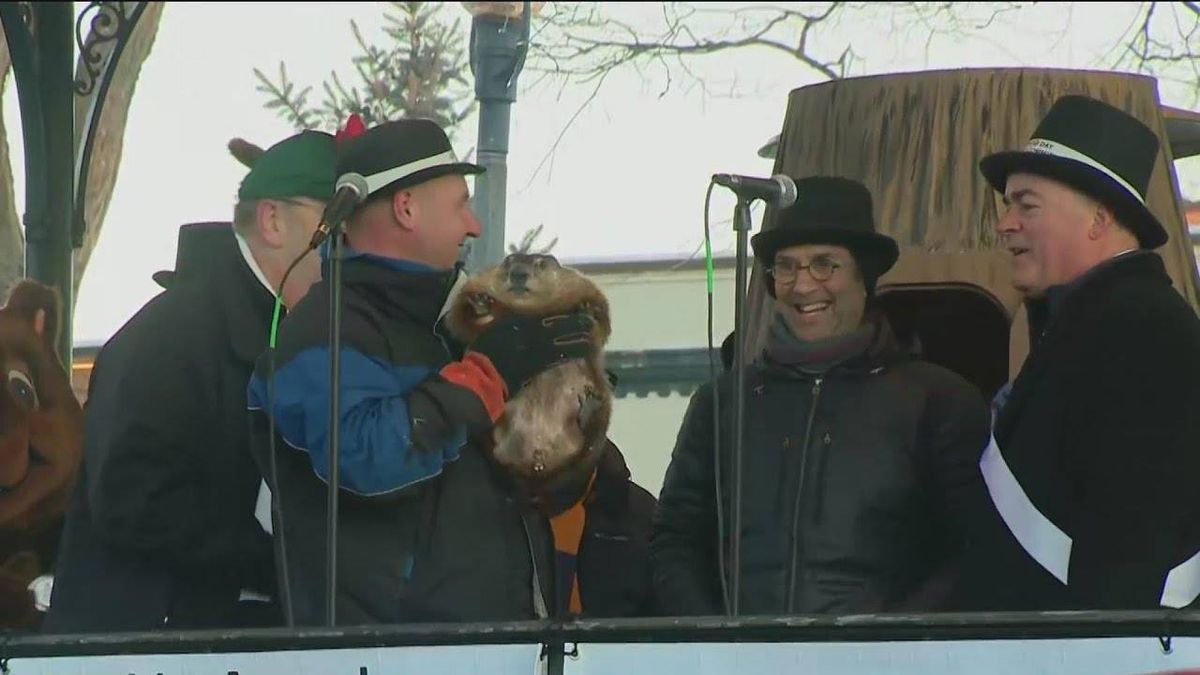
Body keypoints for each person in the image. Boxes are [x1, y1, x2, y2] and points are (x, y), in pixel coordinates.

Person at [246, 117, 655, 626]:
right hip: (384, 650)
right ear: (407, 207)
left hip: (491, 639)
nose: (474, 225)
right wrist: (486, 374)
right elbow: (359, 455)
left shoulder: (447, 323)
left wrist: (570, 421)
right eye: (460, 203)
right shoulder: (329, 329)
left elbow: (519, 484)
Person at [652, 176, 991, 616]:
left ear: (864, 277)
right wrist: (715, 640)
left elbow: (974, 545)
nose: (803, 285)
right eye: (786, 266)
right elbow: (674, 539)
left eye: (824, 264)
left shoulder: (938, 400)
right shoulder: (722, 403)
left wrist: (894, 641)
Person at [43, 130, 335, 633]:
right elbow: (133, 496)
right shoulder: (175, 331)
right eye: (332, 227)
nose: (346, 251)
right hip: (143, 638)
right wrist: (273, 561)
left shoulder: (266, 327)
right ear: (272, 220)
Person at [953, 95, 1200, 611]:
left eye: (1026, 204)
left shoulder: (1142, 327)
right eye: (1007, 205)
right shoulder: (1089, 324)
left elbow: (1139, 533)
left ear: (1097, 219)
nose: (1005, 223)